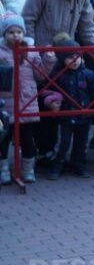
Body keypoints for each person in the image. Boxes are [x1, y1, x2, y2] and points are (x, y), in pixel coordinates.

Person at [43, 39, 94, 179]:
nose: (75, 60)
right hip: (65, 116)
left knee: (82, 144)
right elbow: (47, 91)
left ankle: (79, 165)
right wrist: (51, 101)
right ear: (62, 59)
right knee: (63, 144)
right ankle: (57, 166)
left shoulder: (88, 74)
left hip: (85, 116)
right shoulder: (58, 75)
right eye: (70, 57)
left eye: (78, 56)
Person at [0, 15, 44, 184]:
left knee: (27, 139)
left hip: (27, 101)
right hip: (5, 102)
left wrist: (47, 58)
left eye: (19, 32)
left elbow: (41, 75)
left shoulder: (30, 51)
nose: (15, 35)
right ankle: (4, 170)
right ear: (4, 34)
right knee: (4, 139)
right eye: (11, 32)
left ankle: (27, 170)